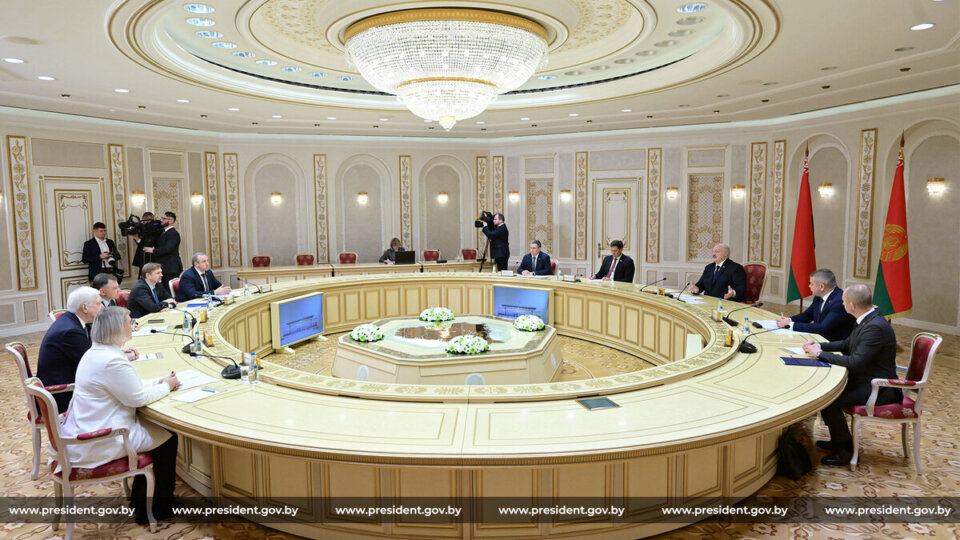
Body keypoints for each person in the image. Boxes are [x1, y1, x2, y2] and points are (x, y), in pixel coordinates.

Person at [61, 307, 181, 523]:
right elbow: (137, 398)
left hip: (90, 423)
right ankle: (154, 508)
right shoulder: (111, 360)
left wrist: (159, 381)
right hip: (103, 436)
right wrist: (167, 386)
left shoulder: (97, 352)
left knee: (161, 434)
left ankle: (142, 500)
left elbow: (128, 386)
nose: (133, 326)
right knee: (169, 439)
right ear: (116, 329)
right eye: (129, 322)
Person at [801, 284, 901, 466]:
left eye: (844, 302)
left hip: (878, 388)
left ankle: (846, 450)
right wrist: (819, 346)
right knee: (825, 392)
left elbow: (855, 362)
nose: (842, 304)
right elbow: (846, 344)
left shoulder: (875, 327)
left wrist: (820, 354)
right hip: (864, 379)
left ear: (852, 305)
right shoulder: (867, 318)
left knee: (828, 398)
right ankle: (837, 440)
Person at [36, 287, 101, 412]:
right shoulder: (70, 331)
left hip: (68, 383)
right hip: (61, 396)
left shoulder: (72, 321)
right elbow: (92, 363)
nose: (101, 307)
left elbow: (91, 350)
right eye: (98, 304)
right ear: (84, 308)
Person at [776, 269, 857, 341]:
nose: (809, 286)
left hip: (834, 345)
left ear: (822, 286)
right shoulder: (818, 297)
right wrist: (789, 320)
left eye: (811, 284)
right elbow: (807, 316)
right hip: (819, 340)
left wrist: (790, 325)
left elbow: (823, 327)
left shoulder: (839, 301)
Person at [143, 211, 182, 290]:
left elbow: (168, 249)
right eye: (161, 218)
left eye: (164, 219)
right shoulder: (164, 232)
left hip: (171, 268)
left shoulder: (173, 233)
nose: (161, 220)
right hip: (165, 267)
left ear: (171, 221)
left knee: (170, 290)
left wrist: (153, 251)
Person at [131, 211, 155, 279]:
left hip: (153, 257)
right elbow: (141, 245)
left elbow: (149, 244)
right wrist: (137, 239)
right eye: (146, 221)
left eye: (150, 220)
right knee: (143, 277)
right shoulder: (140, 229)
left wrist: (138, 239)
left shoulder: (156, 229)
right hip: (142, 257)